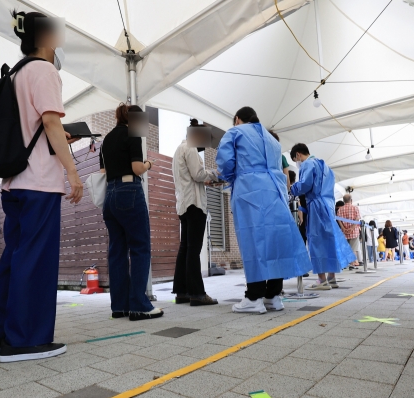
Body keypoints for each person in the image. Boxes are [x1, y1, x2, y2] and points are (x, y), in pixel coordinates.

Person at [0, 10, 84, 363]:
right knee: (35, 261)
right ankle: (24, 340)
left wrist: (55, 137)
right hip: (39, 181)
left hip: (13, 182)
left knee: (14, 257)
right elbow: (50, 123)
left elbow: (35, 129)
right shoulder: (45, 70)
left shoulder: (16, 74)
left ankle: (0, 335)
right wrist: (72, 172)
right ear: (46, 37)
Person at [216, 107, 311, 314]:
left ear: (238, 119)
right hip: (275, 193)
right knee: (275, 242)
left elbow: (225, 163)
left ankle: (254, 297)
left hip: (250, 191)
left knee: (253, 243)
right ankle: (273, 295)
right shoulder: (272, 140)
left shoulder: (235, 132)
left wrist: (231, 177)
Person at [99, 103, 163, 321]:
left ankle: (119, 306)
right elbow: (136, 168)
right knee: (140, 247)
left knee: (117, 250)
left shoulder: (106, 140)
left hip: (110, 194)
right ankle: (139, 304)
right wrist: (148, 164)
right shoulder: (132, 134)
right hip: (129, 191)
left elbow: (102, 171)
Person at [290, 143, 355, 290]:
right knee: (329, 241)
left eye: (295, 160)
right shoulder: (325, 166)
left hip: (316, 206)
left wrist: (292, 189)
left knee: (316, 241)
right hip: (328, 206)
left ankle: (321, 280)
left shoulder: (308, 164)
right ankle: (332, 277)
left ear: (298, 155)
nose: (297, 163)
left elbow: (305, 185)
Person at [172, 119, 220, 306]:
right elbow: (198, 174)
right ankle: (197, 294)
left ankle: (182, 291)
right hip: (195, 203)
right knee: (193, 249)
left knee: (185, 248)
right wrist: (216, 174)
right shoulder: (190, 148)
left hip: (184, 203)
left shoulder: (179, 149)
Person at [337, 194, 362, 268]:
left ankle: (346, 263)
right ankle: (352, 264)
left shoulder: (340, 209)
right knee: (354, 248)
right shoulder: (355, 208)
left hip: (344, 232)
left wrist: (344, 228)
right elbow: (357, 219)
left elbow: (339, 220)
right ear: (351, 200)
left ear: (343, 201)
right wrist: (352, 228)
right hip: (354, 231)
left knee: (346, 248)